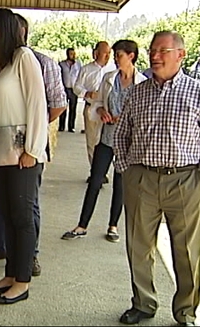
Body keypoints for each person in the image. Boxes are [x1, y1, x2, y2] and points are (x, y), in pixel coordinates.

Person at [113, 31, 200, 326]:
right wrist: (127, 170)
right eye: (152, 51)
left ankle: (185, 311)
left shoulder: (199, 92)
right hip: (142, 180)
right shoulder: (138, 92)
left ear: (181, 55)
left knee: (187, 252)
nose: (156, 56)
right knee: (138, 246)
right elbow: (122, 134)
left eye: (163, 50)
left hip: (185, 180)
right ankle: (143, 303)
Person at [0, 14, 66, 279]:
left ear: (1, 32)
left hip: (21, 149)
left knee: (22, 217)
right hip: (0, 147)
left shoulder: (24, 58)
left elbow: (38, 105)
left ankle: (22, 280)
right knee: (5, 211)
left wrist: (33, 150)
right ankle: (10, 275)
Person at [61, 39, 147, 242]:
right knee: (95, 180)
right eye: (114, 55)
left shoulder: (142, 83)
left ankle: (113, 226)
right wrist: (100, 110)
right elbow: (98, 102)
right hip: (107, 137)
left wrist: (125, 119)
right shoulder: (109, 78)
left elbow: (145, 114)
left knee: (120, 183)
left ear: (131, 56)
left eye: (119, 55)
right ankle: (82, 226)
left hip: (127, 143)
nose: (115, 59)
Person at [73, 41, 115, 183]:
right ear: (96, 53)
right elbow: (76, 86)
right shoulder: (86, 69)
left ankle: (103, 170)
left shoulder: (113, 70)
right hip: (91, 108)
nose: (107, 56)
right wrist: (86, 93)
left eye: (109, 53)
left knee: (106, 141)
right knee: (92, 141)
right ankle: (96, 172)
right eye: (105, 53)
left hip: (108, 112)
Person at [59, 48, 82, 132]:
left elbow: (80, 75)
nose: (72, 55)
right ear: (67, 54)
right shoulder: (62, 64)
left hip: (74, 89)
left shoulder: (78, 64)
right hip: (65, 88)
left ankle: (71, 126)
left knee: (73, 108)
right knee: (63, 108)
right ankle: (61, 126)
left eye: (73, 53)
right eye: (71, 54)